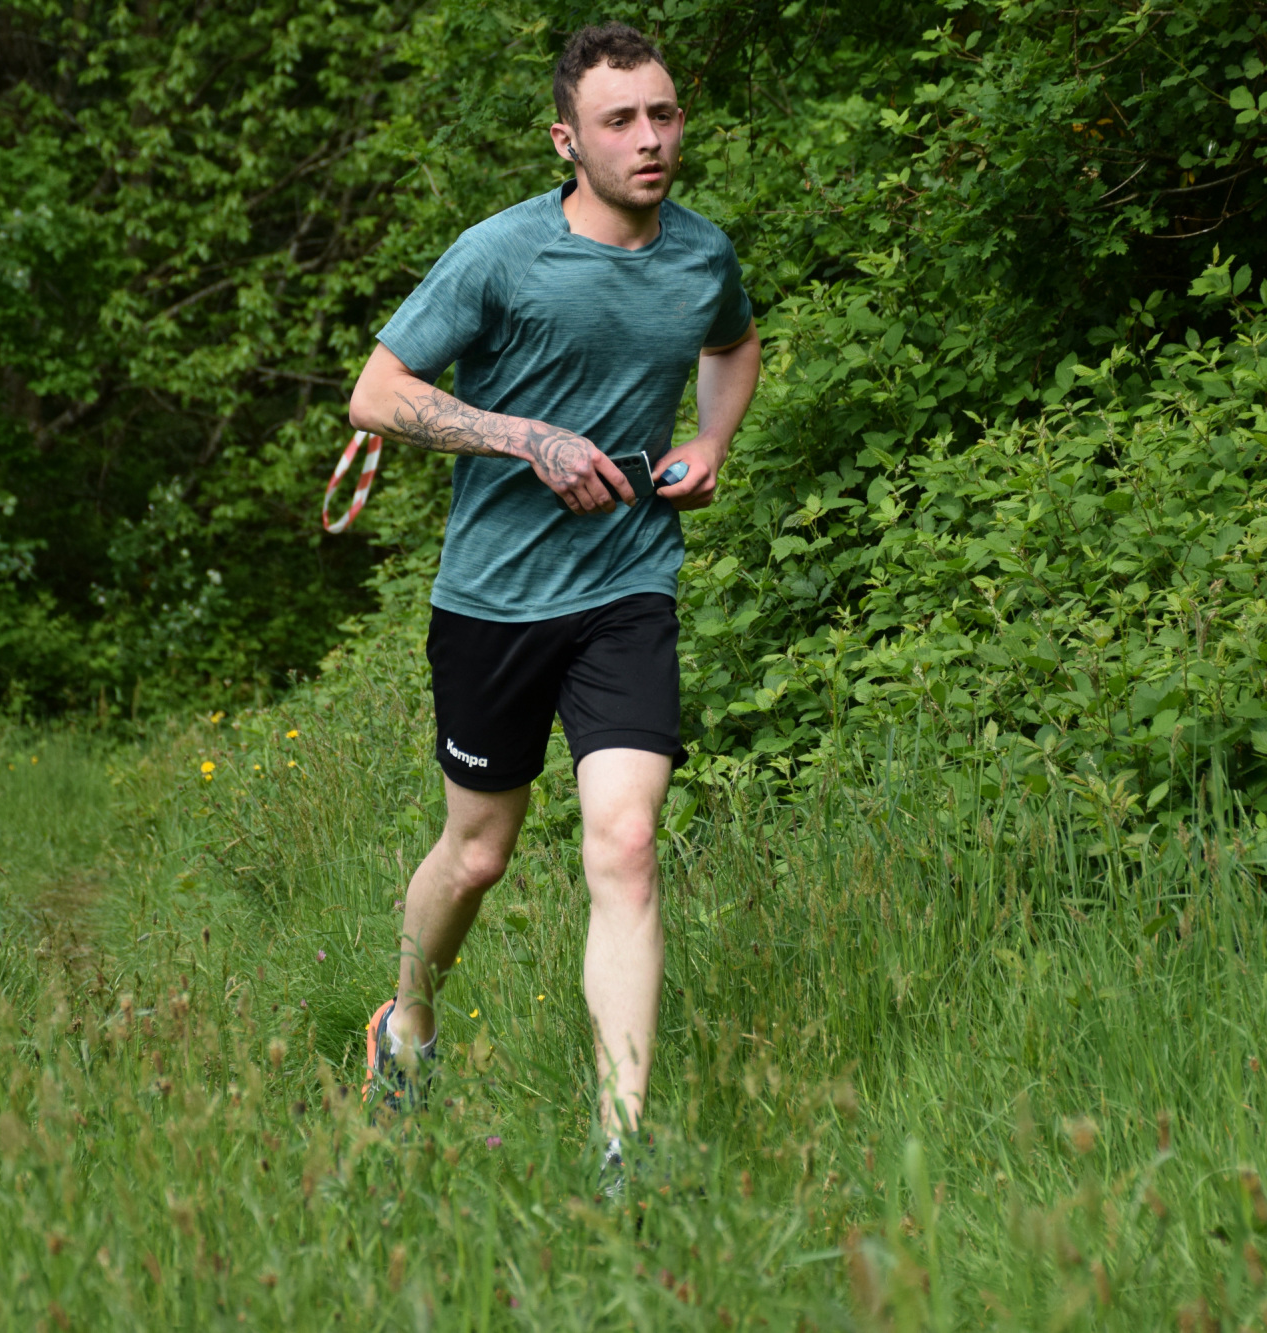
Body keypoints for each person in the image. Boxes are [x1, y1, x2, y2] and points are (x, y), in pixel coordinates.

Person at [343, 22, 761, 1173]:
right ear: (565, 140)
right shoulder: (498, 255)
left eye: (663, 114)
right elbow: (376, 392)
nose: (649, 138)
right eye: (619, 120)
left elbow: (732, 343)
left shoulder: (700, 254)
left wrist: (710, 441)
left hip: (628, 583)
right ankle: (406, 1023)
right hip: (494, 597)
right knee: (478, 853)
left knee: (624, 843)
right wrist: (524, 438)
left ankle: (622, 1147)